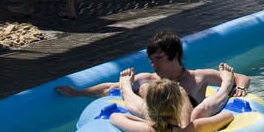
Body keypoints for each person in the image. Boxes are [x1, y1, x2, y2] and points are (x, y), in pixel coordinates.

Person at [56, 30, 252, 104]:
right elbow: (110, 88)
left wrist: (240, 88)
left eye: (159, 58)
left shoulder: (199, 77)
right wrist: (77, 92)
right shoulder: (147, 80)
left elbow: (240, 77)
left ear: (175, 56)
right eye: (151, 59)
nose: (153, 64)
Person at [106, 66, 237, 132]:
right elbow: (228, 116)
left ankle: (125, 88)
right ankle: (226, 85)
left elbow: (115, 117)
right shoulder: (193, 129)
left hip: (154, 124)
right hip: (186, 126)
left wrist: (151, 123)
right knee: (198, 111)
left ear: (150, 108)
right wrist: (199, 122)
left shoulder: (147, 130)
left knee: (144, 89)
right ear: (179, 105)